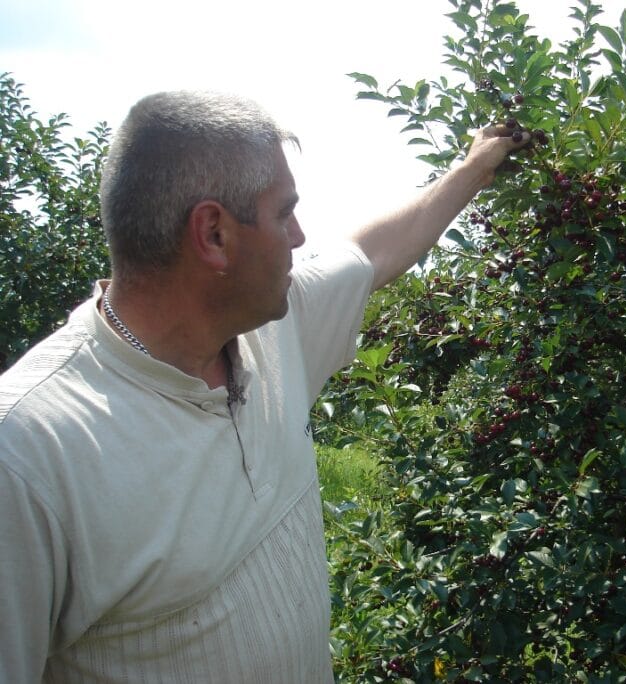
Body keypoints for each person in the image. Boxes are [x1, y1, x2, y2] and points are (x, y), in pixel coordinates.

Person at [0, 90, 527, 683]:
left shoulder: (275, 330)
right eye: (284, 213)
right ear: (215, 234)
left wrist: (474, 167)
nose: (299, 237)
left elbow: (374, 252)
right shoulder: (28, 453)